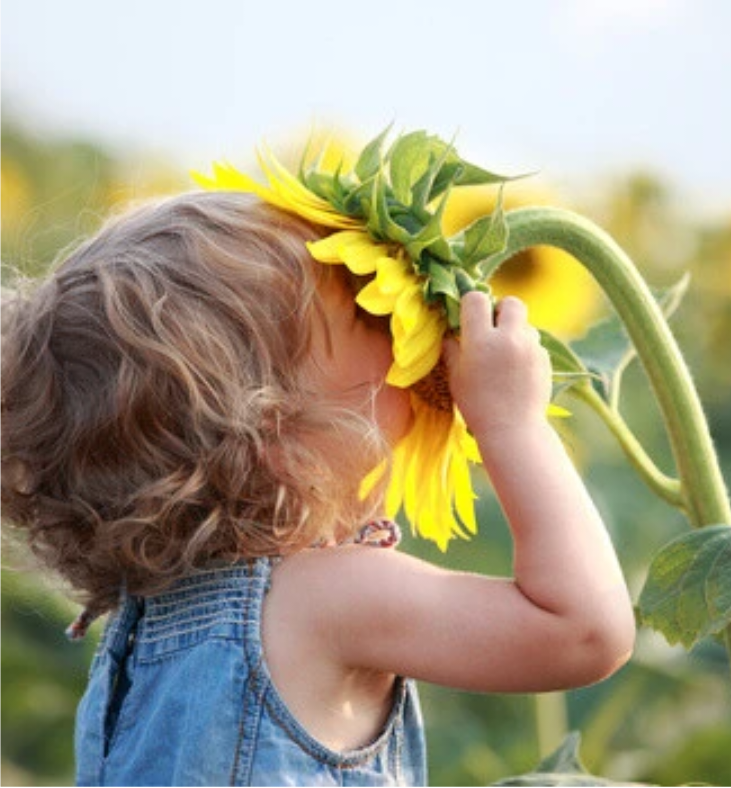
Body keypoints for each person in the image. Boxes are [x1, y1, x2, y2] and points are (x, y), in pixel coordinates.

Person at [0, 189, 636, 787]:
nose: (397, 332)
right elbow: (583, 631)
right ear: (277, 435)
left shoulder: (143, 622)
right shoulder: (325, 598)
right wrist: (511, 421)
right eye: (365, 315)